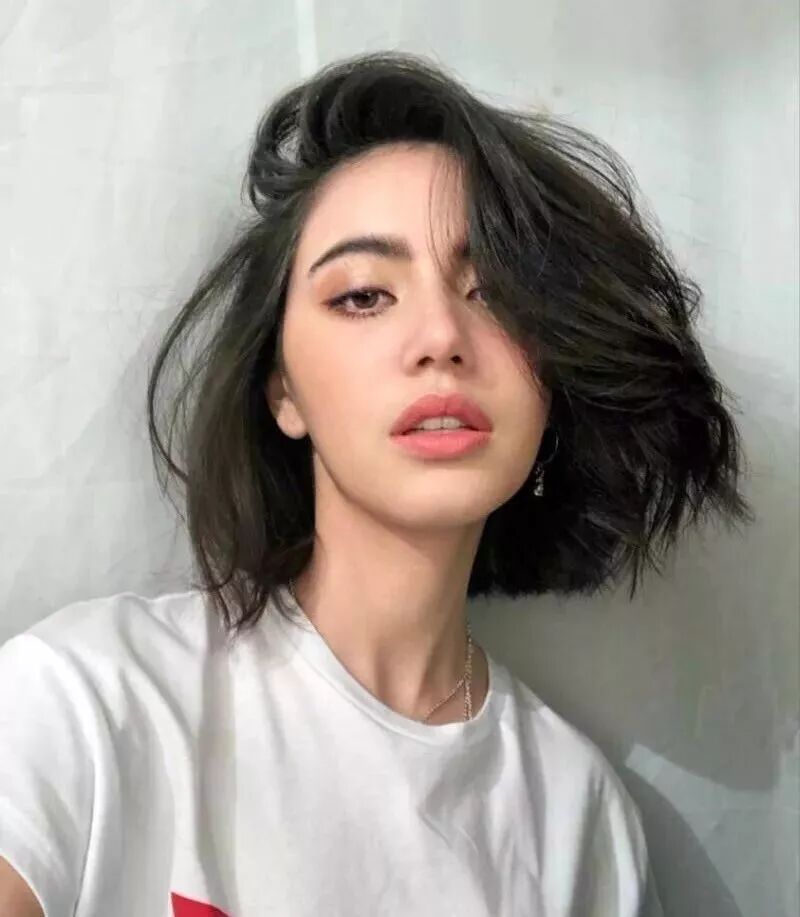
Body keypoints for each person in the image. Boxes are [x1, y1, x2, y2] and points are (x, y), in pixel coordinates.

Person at [0, 50, 753, 916]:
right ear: (282, 390)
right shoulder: (85, 702)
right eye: (363, 295)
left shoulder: (579, 823)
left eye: (496, 294)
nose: (441, 336)